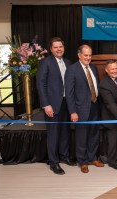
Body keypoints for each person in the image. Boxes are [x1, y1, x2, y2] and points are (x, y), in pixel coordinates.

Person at [36, 37, 75, 175]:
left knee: (65, 132)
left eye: (61, 47)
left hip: (66, 103)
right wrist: (46, 104)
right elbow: (41, 85)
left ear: (63, 48)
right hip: (52, 105)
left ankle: (64, 156)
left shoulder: (69, 63)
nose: (59, 49)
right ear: (51, 49)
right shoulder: (45, 63)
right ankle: (54, 162)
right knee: (53, 134)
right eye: (56, 47)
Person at [65, 44, 104, 173]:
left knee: (94, 133)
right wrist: (73, 111)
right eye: (85, 55)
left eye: (90, 55)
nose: (88, 58)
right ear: (79, 55)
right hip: (80, 109)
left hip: (94, 106)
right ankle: (82, 161)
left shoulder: (92, 67)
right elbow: (69, 93)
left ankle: (92, 158)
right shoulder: (72, 70)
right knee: (82, 136)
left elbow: (96, 86)